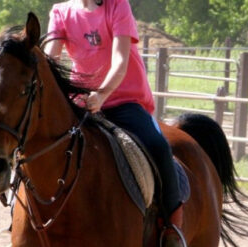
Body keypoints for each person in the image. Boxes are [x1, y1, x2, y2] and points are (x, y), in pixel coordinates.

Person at [44, 0, 184, 245]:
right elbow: (49, 61)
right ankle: (21, 211)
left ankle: (172, 227)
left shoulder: (118, 6)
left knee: (159, 146)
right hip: (82, 102)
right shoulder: (61, 12)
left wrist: (101, 94)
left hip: (124, 100)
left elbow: (120, 61)